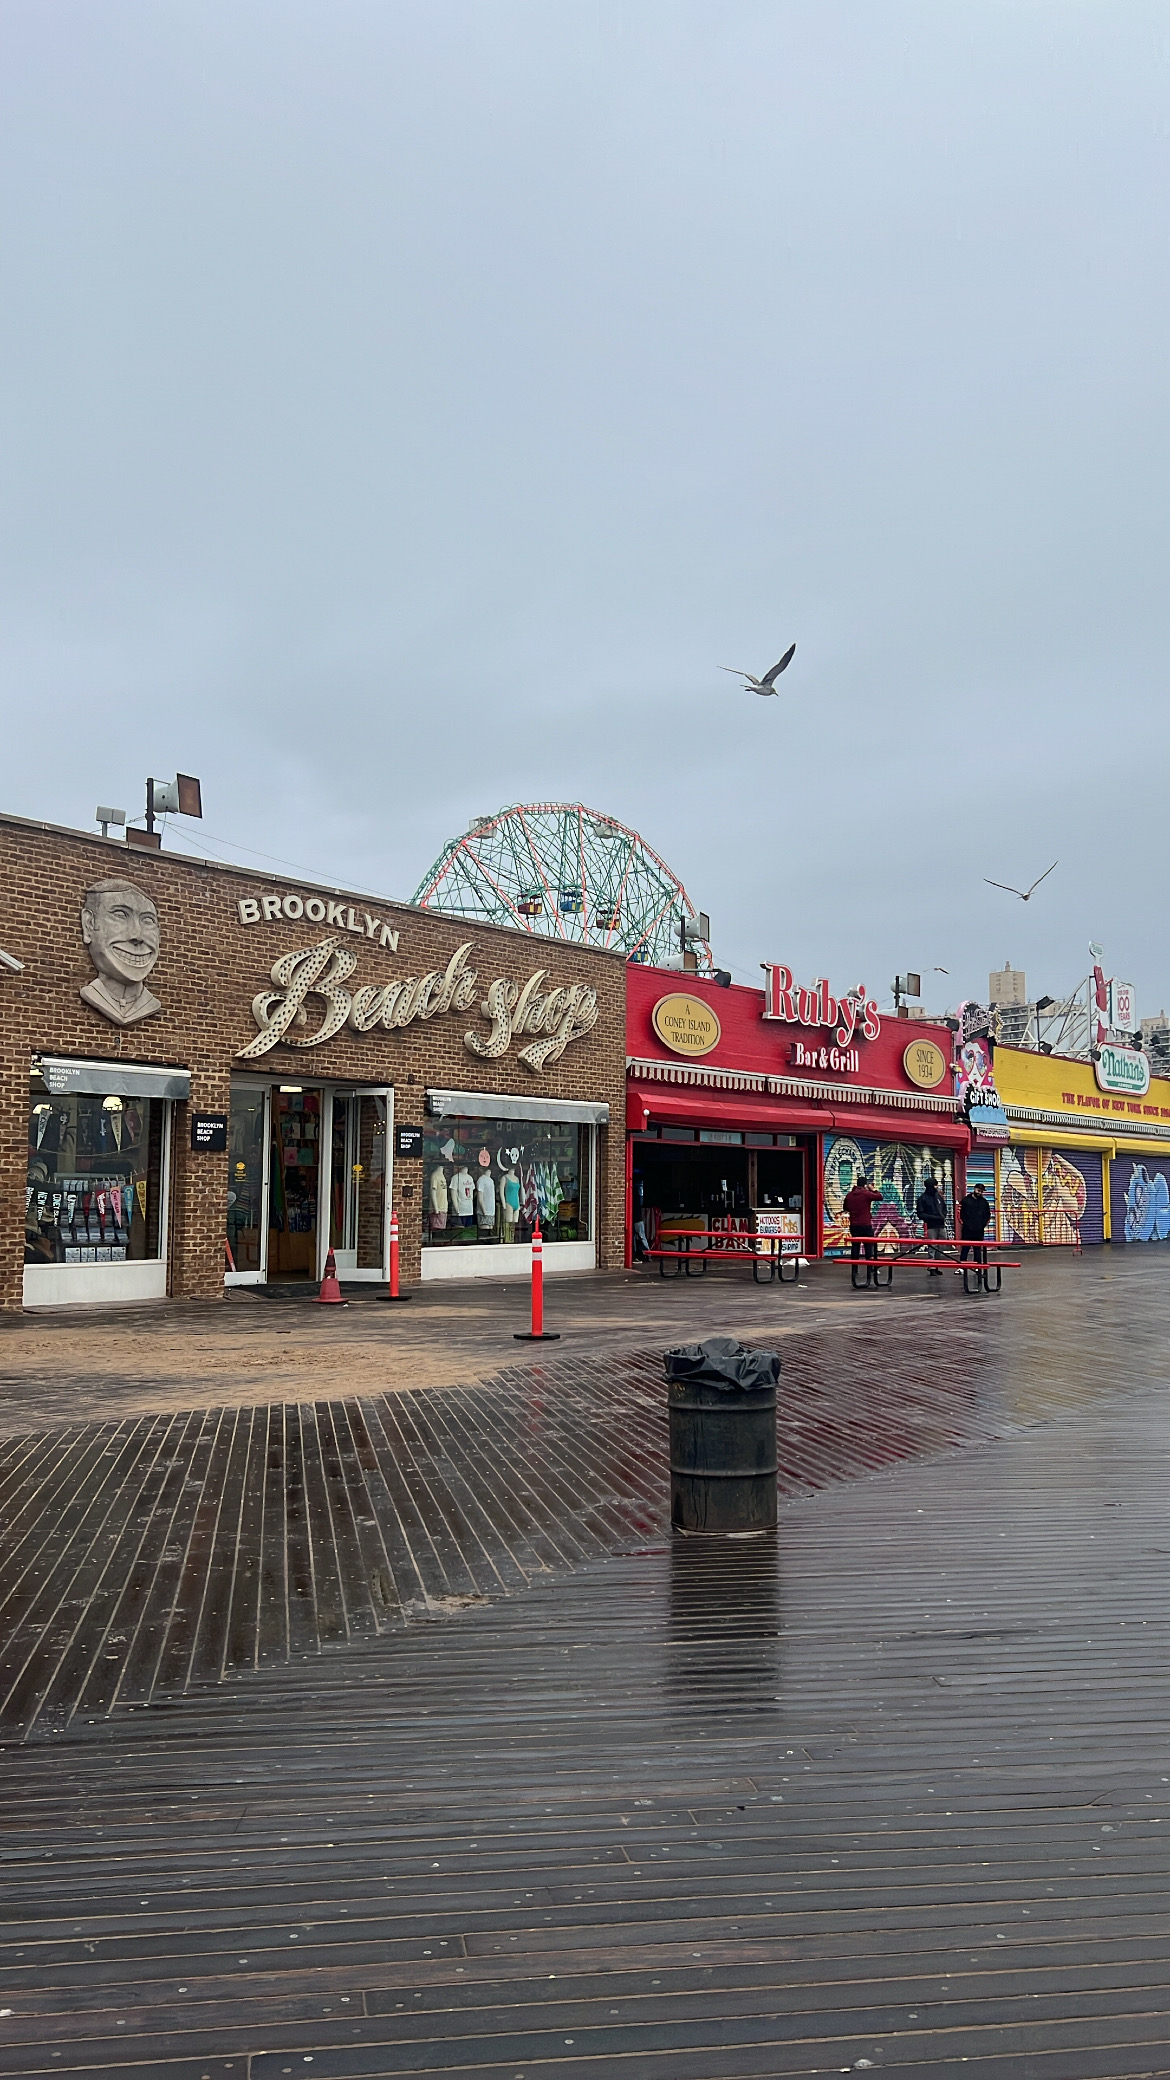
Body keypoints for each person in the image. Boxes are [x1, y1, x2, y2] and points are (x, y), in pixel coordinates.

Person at [843, 1175, 883, 1279]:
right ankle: (870, 1268)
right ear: (865, 1184)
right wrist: (873, 1189)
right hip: (865, 1224)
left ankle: (854, 1269)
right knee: (868, 1247)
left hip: (854, 1225)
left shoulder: (850, 1195)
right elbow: (879, 1197)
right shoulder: (866, 1194)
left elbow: (845, 1207)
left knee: (855, 1247)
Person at [916, 1173, 949, 1275]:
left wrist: (943, 1215)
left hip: (941, 1224)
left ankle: (937, 1264)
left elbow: (944, 1207)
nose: (937, 1187)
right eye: (935, 1185)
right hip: (931, 1225)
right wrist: (933, 1218)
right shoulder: (923, 1198)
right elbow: (921, 1213)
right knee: (932, 1246)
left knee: (941, 1245)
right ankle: (932, 1267)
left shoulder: (938, 1196)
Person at [957, 1180, 993, 1270]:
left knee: (977, 1250)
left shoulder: (984, 1202)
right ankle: (962, 1267)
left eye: (981, 1191)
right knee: (965, 1249)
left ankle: (977, 1266)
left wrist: (982, 1226)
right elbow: (959, 1213)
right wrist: (963, 1223)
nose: (980, 1193)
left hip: (979, 1230)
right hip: (967, 1230)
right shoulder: (965, 1200)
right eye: (978, 1190)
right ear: (974, 1189)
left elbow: (988, 1215)